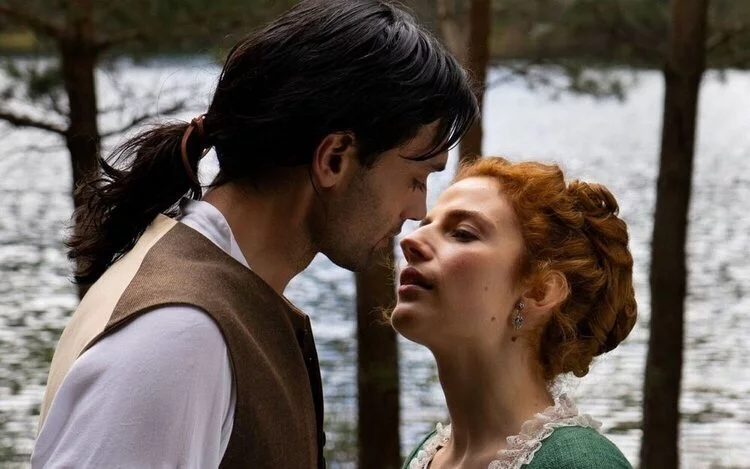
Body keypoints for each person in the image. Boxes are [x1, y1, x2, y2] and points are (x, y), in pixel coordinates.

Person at [31, 1, 478, 467]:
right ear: (335, 159)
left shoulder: (208, 307)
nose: (418, 210)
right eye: (416, 178)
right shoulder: (180, 335)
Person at [392, 157, 637, 469]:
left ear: (540, 291)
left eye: (463, 233)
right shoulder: (425, 456)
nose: (410, 240)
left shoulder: (582, 463)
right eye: (424, 226)